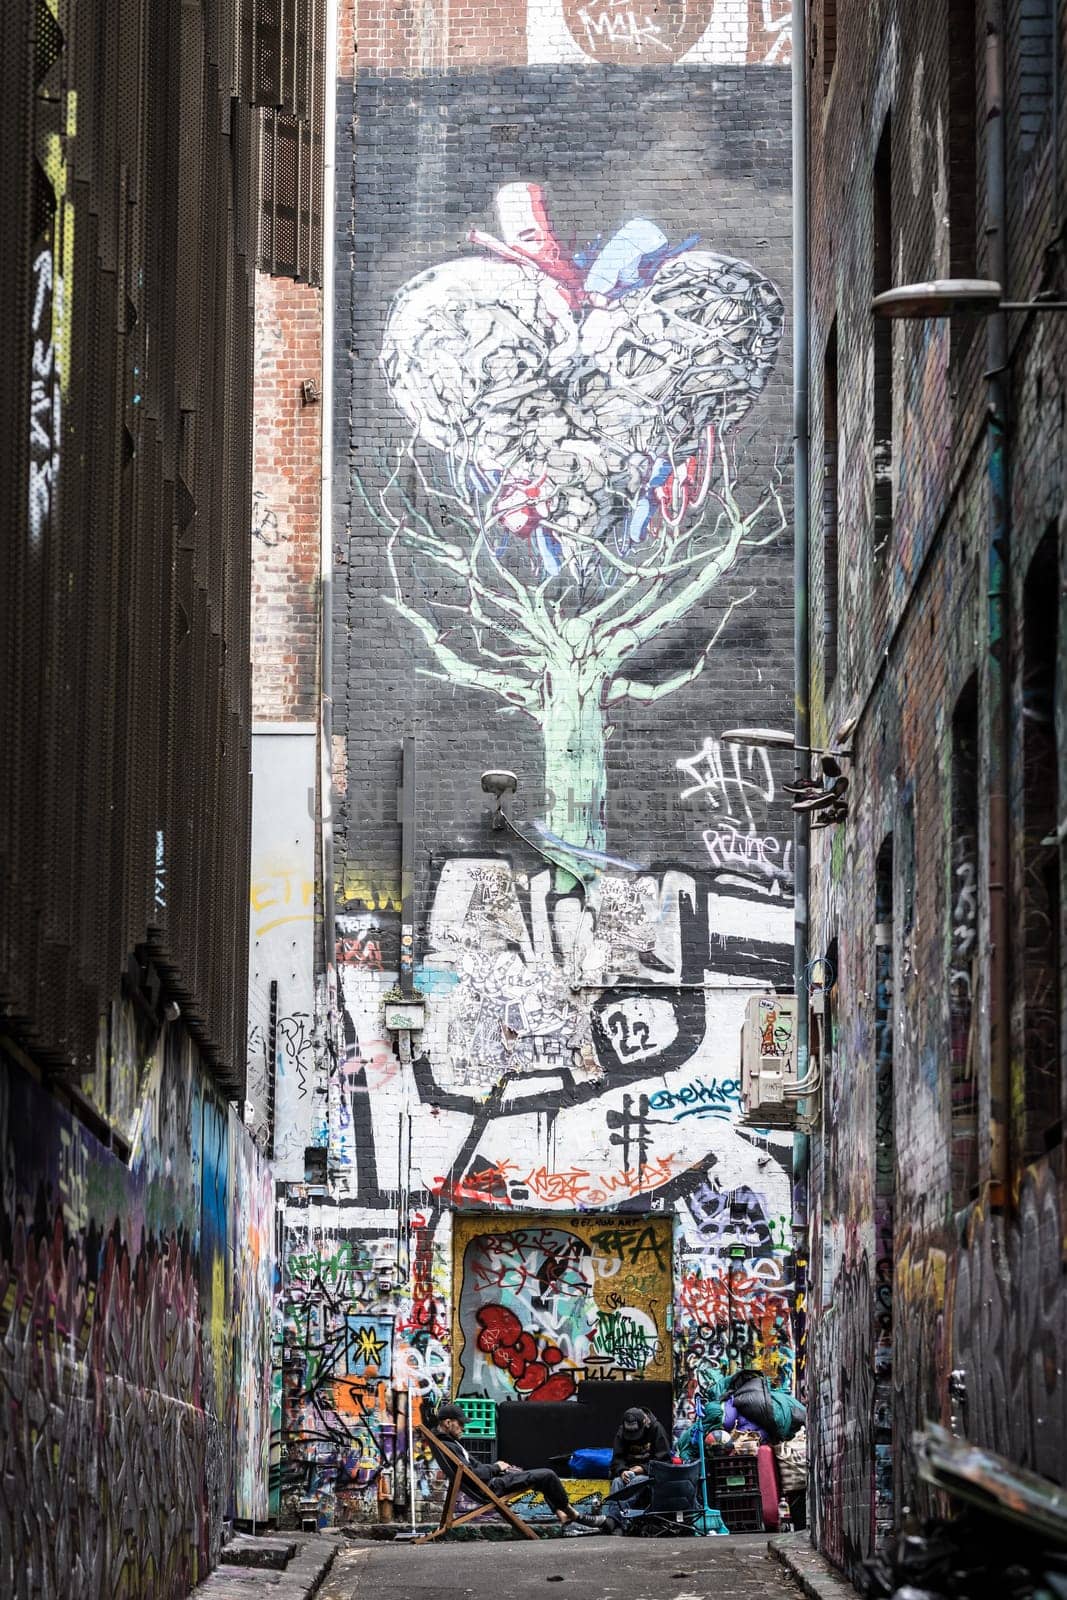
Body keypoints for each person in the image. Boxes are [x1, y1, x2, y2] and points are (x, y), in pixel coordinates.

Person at [431, 1402, 606, 1531]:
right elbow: (473, 1473)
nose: (463, 1427)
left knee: (541, 1480)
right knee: (548, 1474)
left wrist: (497, 1467)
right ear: (448, 1423)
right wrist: (496, 1468)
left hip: (488, 1483)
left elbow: (474, 1467)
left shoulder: (450, 1443)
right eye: (460, 1423)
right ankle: (573, 1514)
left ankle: (563, 1517)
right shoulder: (450, 1445)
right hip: (489, 1487)